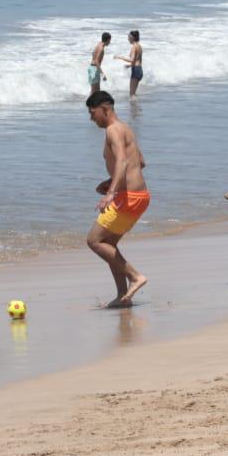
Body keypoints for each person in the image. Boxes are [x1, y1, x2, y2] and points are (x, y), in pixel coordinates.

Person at [85, 90, 149, 308]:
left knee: (94, 240)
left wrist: (111, 192)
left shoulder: (113, 130)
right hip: (139, 196)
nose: (91, 118)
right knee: (109, 244)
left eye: (93, 113)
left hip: (128, 197)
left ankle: (135, 276)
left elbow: (122, 161)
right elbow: (139, 162)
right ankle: (123, 295)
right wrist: (111, 181)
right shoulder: (125, 129)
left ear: (105, 109)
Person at [115, 30, 144, 98]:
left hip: (136, 70)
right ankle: (136, 107)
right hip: (139, 69)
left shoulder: (134, 47)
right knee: (133, 93)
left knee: (131, 94)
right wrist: (129, 66)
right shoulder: (139, 46)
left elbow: (132, 60)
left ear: (132, 37)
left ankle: (134, 108)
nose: (128, 39)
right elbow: (138, 60)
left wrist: (120, 57)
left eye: (128, 37)